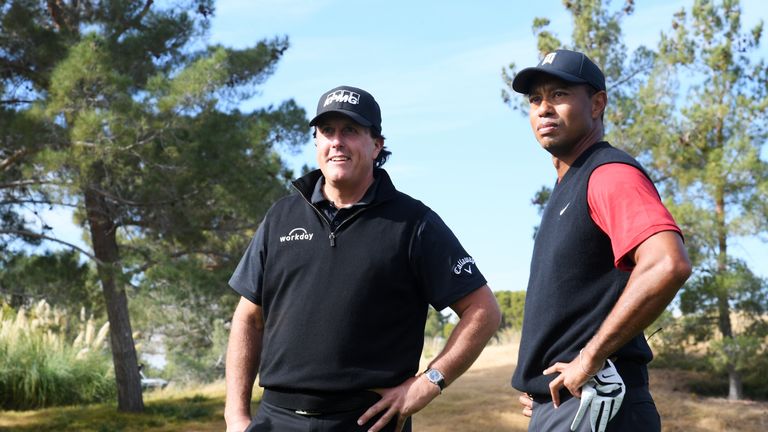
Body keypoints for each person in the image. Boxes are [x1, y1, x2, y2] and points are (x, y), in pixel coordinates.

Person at [224, 85, 501, 432]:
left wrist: (429, 383)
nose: (336, 142)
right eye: (327, 132)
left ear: (376, 145)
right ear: (316, 143)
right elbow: (248, 319)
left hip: (366, 422)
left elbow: (483, 311)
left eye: (350, 131)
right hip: (275, 419)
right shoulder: (280, 216)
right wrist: (235, 416)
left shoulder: (413, 223)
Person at [509, 49, 692, 431]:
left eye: (559, 95)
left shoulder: (608, 174)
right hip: (565, 407)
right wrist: (540, 389)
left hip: (597, 404)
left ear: (597, 104)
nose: (544, 109)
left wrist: (589, 358)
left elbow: (666, 263)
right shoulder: (567, 185)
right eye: (535, 99)